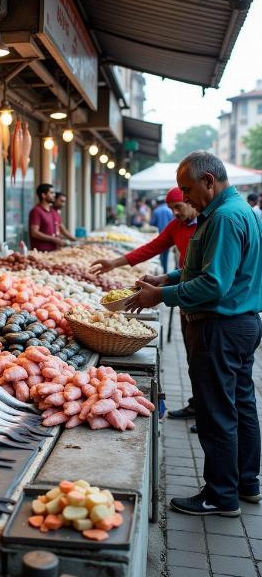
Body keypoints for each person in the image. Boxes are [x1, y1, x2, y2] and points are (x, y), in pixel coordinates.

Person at [127, 151, 262, 516]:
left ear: (209, 181)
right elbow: (206, 269)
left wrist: (162, 295)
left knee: (217, 411)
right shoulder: (242, 212)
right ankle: (247, 481)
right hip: (242, 322)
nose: (184, 198)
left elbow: (214, 284)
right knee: (242, 403)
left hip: (220, 325)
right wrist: (167, 278)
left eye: (187, 189)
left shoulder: (224, 217)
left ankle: (221, 495)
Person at [92, 187, 199, 424]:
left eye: (178, 207)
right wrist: (114, 263)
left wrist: (163, 291)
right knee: (194, 355)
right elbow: (151, 247)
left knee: (204, 358)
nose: (174, 213)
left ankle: (208, 414)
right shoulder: (177, 226)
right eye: (171, 208)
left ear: (191, 201)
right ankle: (198, 404)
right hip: (184, 296)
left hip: (201, 297)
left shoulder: (210, 224)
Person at [28, 184, 66, 251]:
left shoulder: (52, 211)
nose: (54, 195)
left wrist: (58, 237)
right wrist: (54, 239)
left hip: (54, 251)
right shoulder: (36, 211)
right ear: (43, 195)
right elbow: (34, 233)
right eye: (51, 193)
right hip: (40, 253)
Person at [149, 195, 174, 272]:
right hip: (170, 236)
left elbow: (152, 223)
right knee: (166, 254)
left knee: (160, 253)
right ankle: (165, 271)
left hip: (160, 235)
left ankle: (162, 267)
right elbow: (174, 221)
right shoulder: (169, 210)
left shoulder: (156, 211)